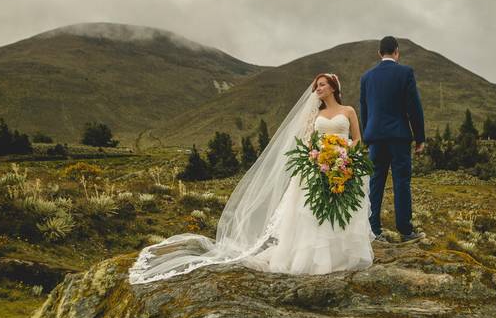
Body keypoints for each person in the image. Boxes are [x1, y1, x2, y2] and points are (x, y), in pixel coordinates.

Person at [128, 73, 373, 285]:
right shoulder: (316, 114)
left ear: (333, 86)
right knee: (311, 213)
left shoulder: (348, 110)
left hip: (343, 166)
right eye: (316, 86)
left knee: (341, 210)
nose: (317, 89)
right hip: (318, 165)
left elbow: (358, 138)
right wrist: (318, 158)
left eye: (321, 85)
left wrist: (346, 157)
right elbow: (308, 141)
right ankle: (313, 260)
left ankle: (340, 257)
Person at [359, 36, 425, 243]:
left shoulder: (367, 77)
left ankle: (374, 230)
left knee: (376, 182)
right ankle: (405, 231)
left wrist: (366, 137)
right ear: (396, 52)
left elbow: (365, 109)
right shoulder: (405, 73)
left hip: (375, 138)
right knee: (401, 182)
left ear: (380, 53)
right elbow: (414, 107)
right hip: (398, 137)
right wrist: (420, 138)